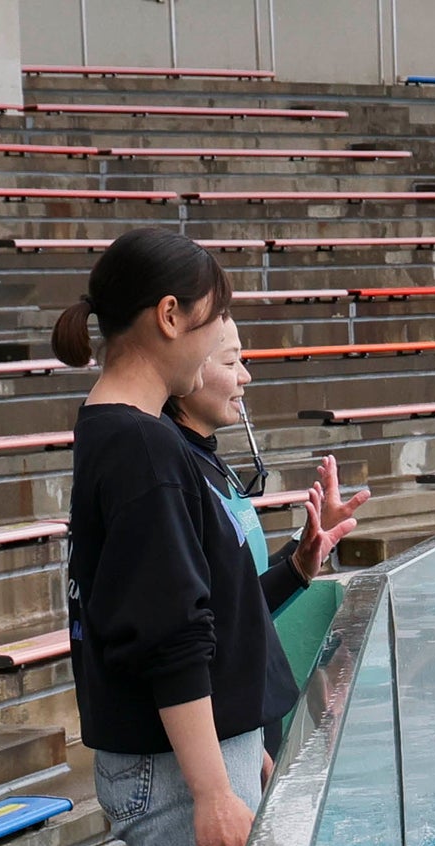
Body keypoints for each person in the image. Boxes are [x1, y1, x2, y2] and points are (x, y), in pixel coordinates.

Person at [53, 228, 355, 846]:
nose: (223, 338)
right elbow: (169, 634)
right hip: (174, 771)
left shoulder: (125, 433)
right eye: (215, 317)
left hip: (189, 757)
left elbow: (196, 607)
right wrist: (215, 790)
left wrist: (242, 748)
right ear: (170, 316)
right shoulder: (143, 446)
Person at [164, 317, 370, 783]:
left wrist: (303, 551)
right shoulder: (179, 473)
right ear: (188, 368)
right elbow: (199, 622)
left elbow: (238, 591)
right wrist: (233, 746)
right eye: (231, 362)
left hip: (251, 721)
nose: (245, 376)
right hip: (228, 731)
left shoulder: (208, 460)